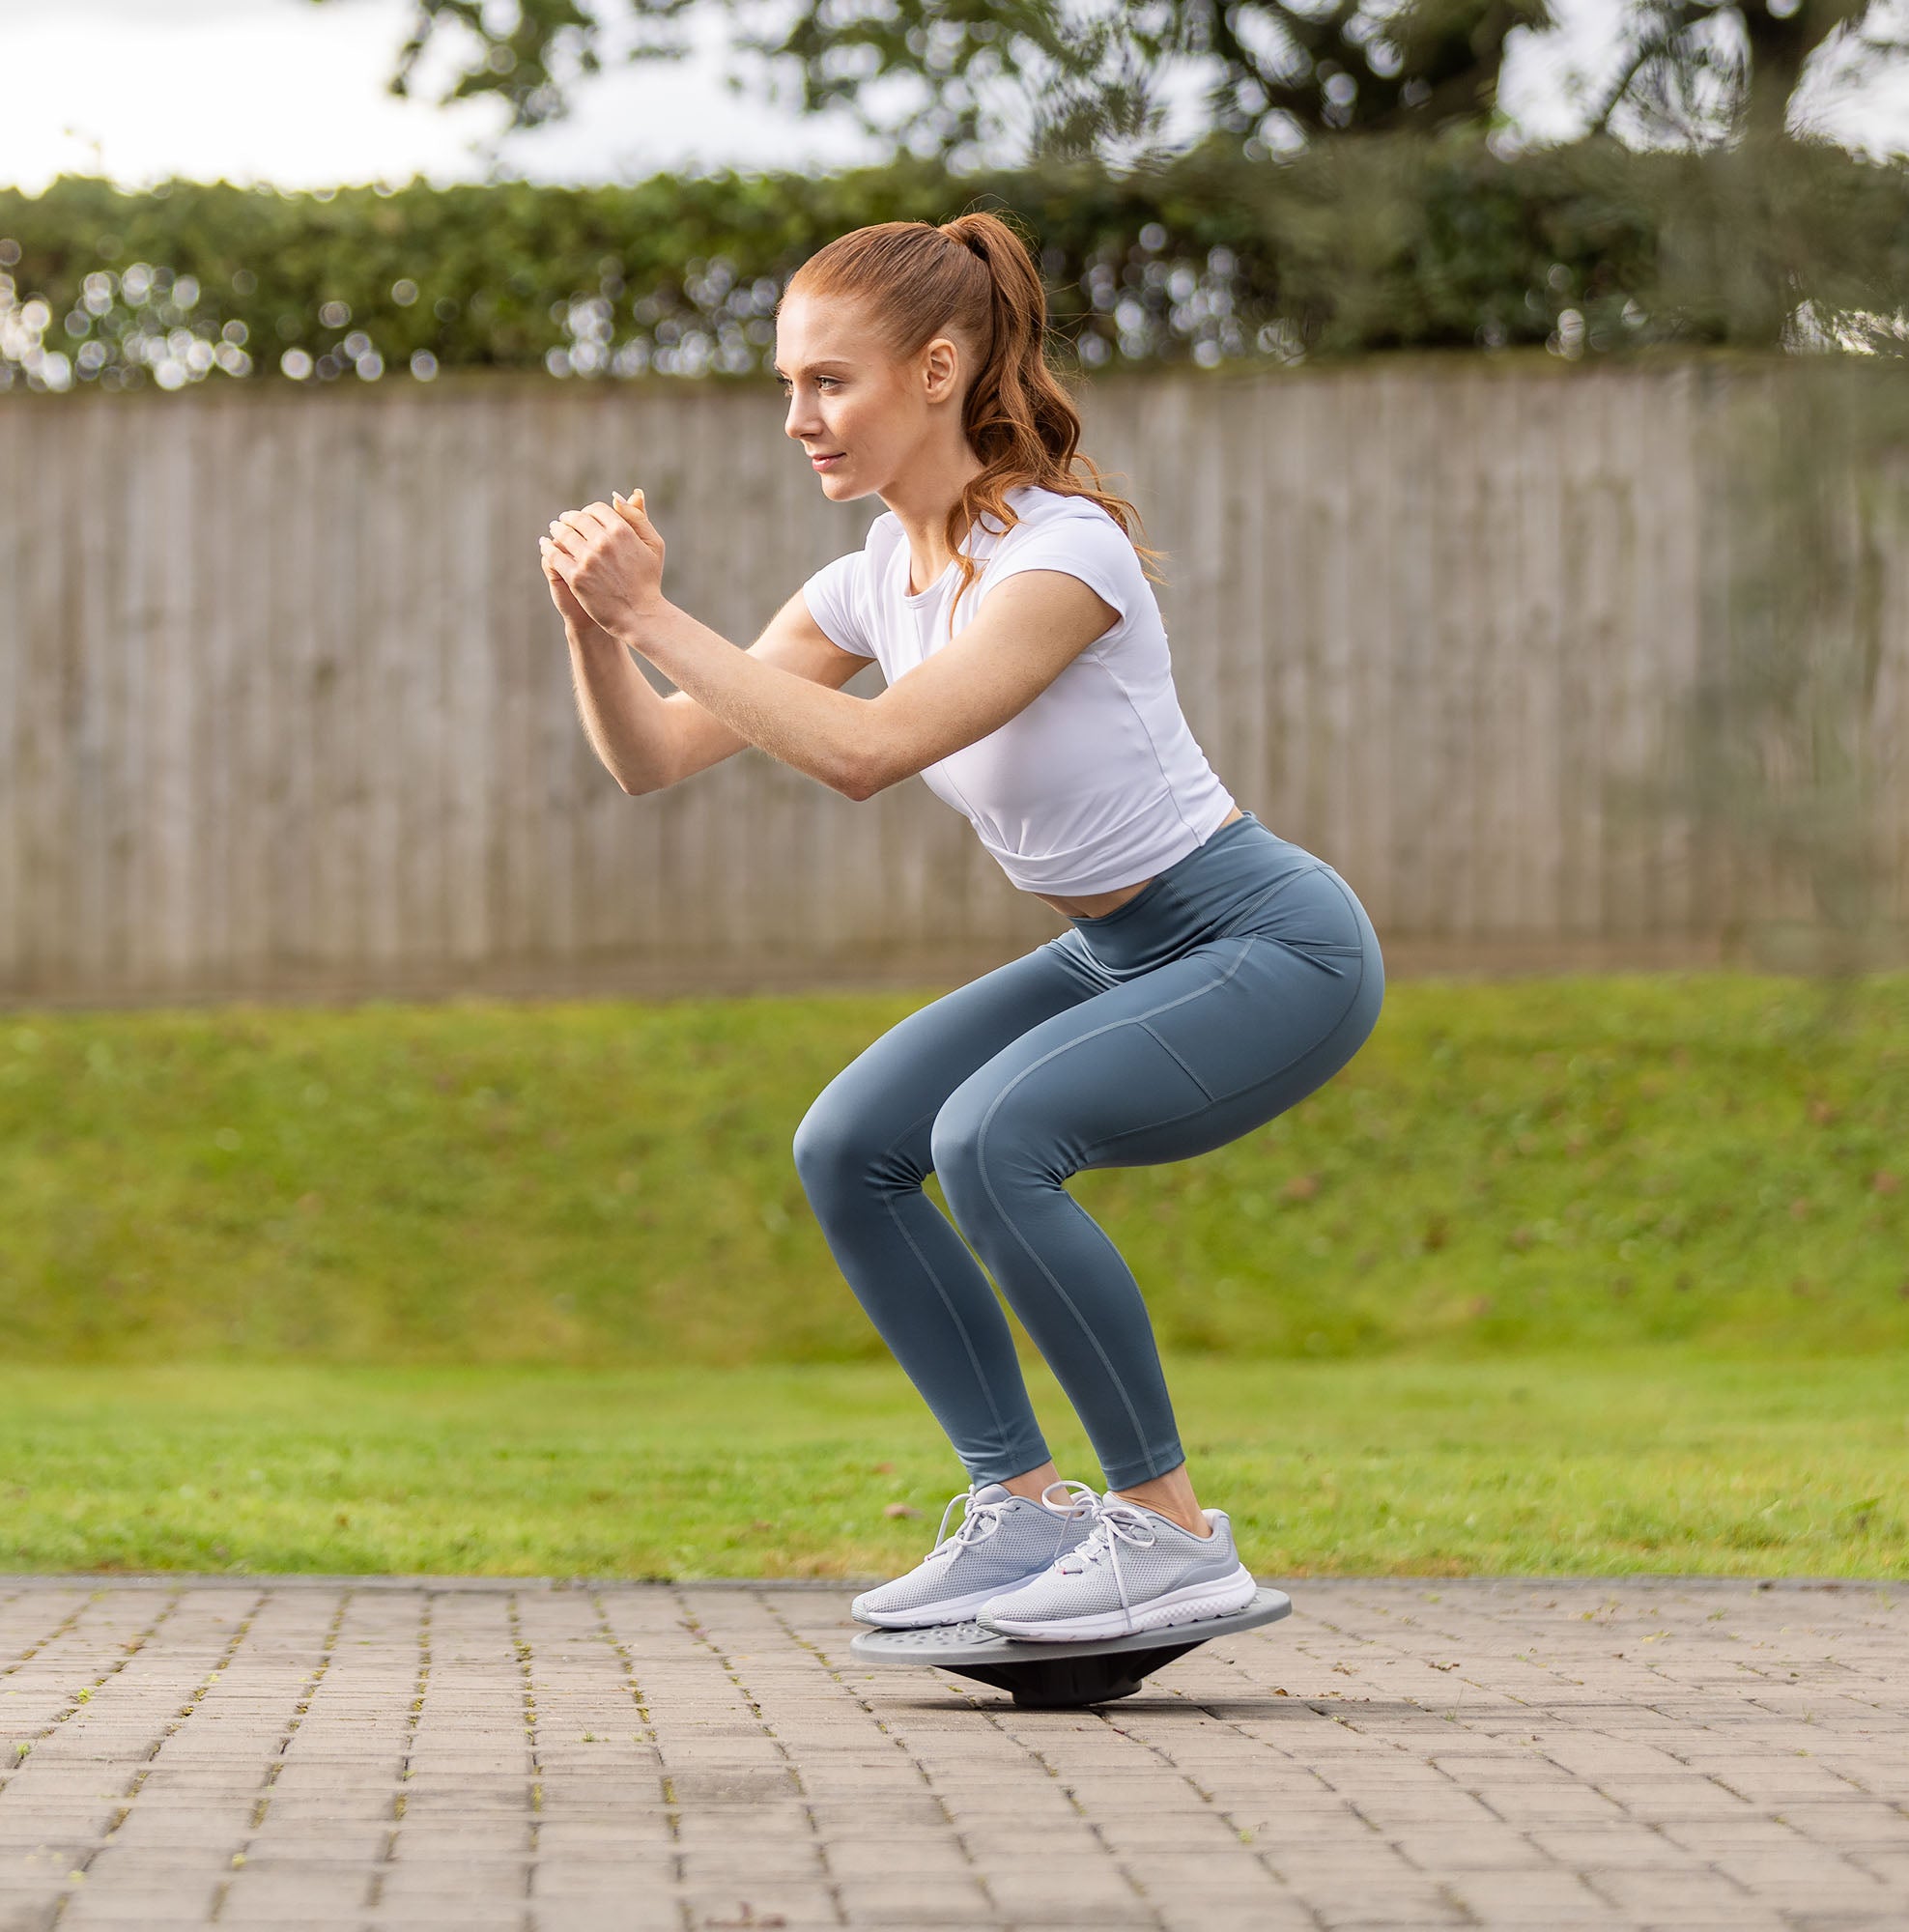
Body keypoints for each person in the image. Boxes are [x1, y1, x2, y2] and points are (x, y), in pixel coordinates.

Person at [534, 210, 1385, 1644]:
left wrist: (661, 613)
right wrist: (595, 624)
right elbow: (654, 759)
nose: (798, 418)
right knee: (848, 1146)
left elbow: (870, 751)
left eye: (830, 383)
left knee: (993, 1138)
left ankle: (1173, 1537)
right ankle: (1027, 1515)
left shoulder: (1065, 556)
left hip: (1265, 944)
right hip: (1120, 950)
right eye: (787, 386)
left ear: (938, 372)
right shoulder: (872, 577)